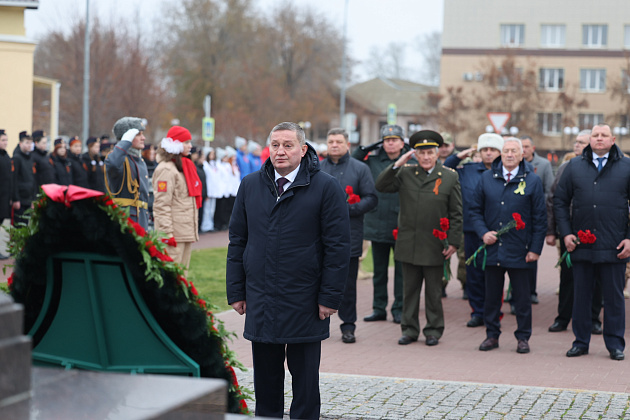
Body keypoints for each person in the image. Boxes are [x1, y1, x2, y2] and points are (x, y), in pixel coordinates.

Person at [226, 122, 350, 419]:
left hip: (305, 300)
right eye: (275, 145)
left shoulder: (325, 187)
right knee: (266, 379)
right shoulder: (251, 184)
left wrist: (330, 297)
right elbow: (238, 240)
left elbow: (338, 248)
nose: (280, 151)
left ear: (303, 149)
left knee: (305, 381)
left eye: (288, 145)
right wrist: (236, 291)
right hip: (261, 297)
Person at [375, 130, 462, 347]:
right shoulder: (405, 173)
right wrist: (398, 163)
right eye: (421, 153)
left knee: (433, 292)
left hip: (435, 244)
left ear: (437, 154)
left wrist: (453, 242)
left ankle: (433, 330)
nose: (425, 157)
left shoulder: (450, 176)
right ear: (415, 154)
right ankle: (409, 329)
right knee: (409, 291)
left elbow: (456, 213)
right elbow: (381, 186)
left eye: (430, 153)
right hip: (409, 242)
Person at [554, 124, 630, 361]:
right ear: (589, 140)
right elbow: (560, 200)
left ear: (613, 139)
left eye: (603, 135)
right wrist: (566, 234)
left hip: (614, 245)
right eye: (595, 135)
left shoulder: (627, 166)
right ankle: (581, 342)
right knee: (582, 296)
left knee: (614, 298)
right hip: (581, 244)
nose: (599, 138)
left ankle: (615, 344)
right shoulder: (575, 166)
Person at [469, 137, 546, 354]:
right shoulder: (486, 178)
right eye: (505, 151)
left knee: (522, 298)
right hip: (493, 248)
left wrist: (535, 249)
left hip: (520, 250)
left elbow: (539, 218)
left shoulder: (532, 181)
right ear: (500, 155)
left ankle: (523, 338)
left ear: (523, 155)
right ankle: (492, 335)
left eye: (514, 151)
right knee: (492, 297)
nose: (509, 155)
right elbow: (474, 210)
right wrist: (483, 232)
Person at [320, 128, 378, 344]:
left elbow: (371, 198)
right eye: (331, 141)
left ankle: (348, 325)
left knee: (347, 284)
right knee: (316, 280)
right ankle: (318, 322)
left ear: (347, 145)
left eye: (338, 141)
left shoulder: (360, 169)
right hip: (319, 237)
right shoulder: (317, 168)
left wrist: (347, 209)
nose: (334, 145)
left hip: (349, 235)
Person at [444, 133, 504, 328]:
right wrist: (459, 156)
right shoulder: (467, 170)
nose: (488, 153)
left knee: (494, 273)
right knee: (474, 272)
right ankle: (477, 311)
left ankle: (493, 312)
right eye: (484, 150)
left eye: (492, 150)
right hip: (471, 230)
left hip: (498, 231)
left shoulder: (506, 171)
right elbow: (445, 169)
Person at [546, 130, 602, 334]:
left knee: (597, 277)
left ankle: (594, 318)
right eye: (576, 142)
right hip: (570, 232)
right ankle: (563, 317)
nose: (576, 146)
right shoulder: (566, 167)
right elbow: (554, 199)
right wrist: (552, 231)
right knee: (568, 277)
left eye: (581, 142)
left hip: (597, 232)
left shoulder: (602, 168)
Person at [353, 124, 409, 324]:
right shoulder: (374, 160)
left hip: (402, 222)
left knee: (402, 272)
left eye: (395, 139)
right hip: (377, 221)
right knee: (379, 271)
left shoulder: (410, 160)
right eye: (386, 140)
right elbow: (354, 160)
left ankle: (399, 309)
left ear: (403, 142)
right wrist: (370, 146)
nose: (390, 143)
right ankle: (379, 308)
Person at [153, 126, 201, 269]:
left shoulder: (182, 166)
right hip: (174, 234)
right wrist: (167, 234)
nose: (190, 146)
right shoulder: (166, 170)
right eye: (186, 142)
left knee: (182, 277)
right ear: (176, 144)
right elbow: (161, 205)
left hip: (184, 232)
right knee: (172, 277)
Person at [520, 135, 554, 305]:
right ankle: (514, 291)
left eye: (526, 146)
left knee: (531, 256)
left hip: (534, 216)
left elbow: (549, 190)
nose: (524, 149)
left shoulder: (544, 165)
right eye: (521, 147)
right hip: (517, 218)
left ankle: (531, 291)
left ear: (533, 148)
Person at [105, 117, 150, 229]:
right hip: (126, 220)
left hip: (141, 219)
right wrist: (125, 142)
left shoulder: (139, 160)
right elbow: (113, 164)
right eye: (138, 134)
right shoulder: (119, 159)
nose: (143, 138)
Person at [12, 131, 37, 226]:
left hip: (29, 198)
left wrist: (33, 199)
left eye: (30, 143)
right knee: (18, 225)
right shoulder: (17, 158)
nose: (29, 145)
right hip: (20, 199)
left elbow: (33, 179)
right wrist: (15, 199)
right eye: (27, 143)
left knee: (25, 225)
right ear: (20, 144)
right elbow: (14, 180)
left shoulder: (30, 158)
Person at [0, 129, 13, 259]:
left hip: (4, 197)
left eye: (6, 140)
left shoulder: (6, 156)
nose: (6, 143)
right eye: (3, 140)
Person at [201, 148, 220, 232]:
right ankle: (205, 226)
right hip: (208, 190)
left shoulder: (214, 164)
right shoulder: (205, 165)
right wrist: (207, 192)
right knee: (207, 209)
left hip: (214, 190)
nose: (212, 156)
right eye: (210, 154)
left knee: (212, 209)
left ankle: (210, 225)